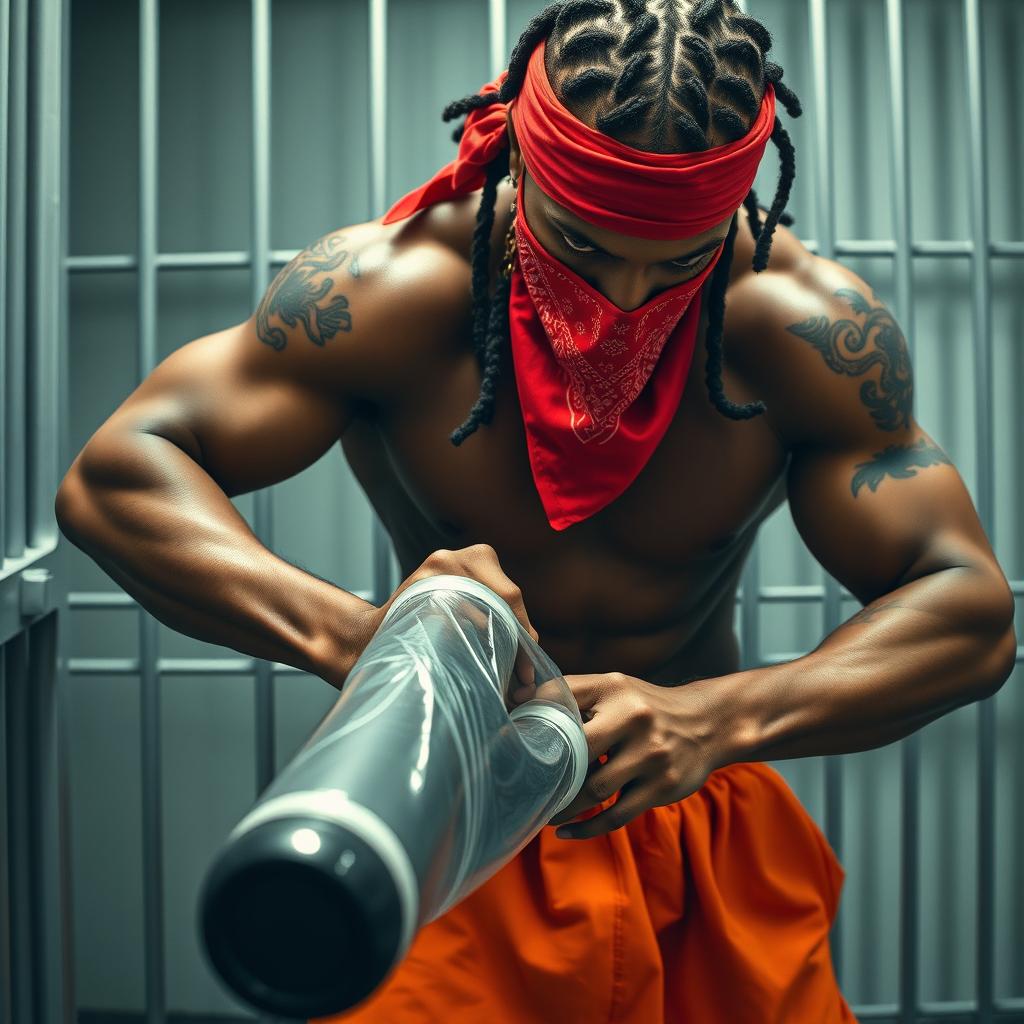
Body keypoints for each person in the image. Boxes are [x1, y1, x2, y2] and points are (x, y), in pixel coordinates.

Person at [55, 1, 1016, 1021]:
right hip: (447, 811)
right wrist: (366, 642)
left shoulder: (803, 328)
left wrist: (715, 718)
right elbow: (119, 473)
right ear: (516, 147)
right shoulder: (388, 292)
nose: (629, 297)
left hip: (689, 811)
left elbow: (968, 611)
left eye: (677, 260)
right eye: (584, 247)